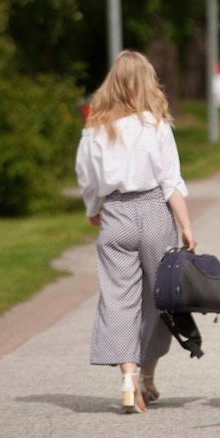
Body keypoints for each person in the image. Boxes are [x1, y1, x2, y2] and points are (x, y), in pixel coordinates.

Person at [76, 50, 196, 414]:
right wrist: (187, 226)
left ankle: (129, 381)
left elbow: (88, 179)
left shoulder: (95, 130)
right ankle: (146, 375)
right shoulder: (156, 125)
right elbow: (170, 181)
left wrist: (94, 209)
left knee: (118, 298)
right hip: (154, 210)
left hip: (116, 214)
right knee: (160, 298)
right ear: (147, 82)